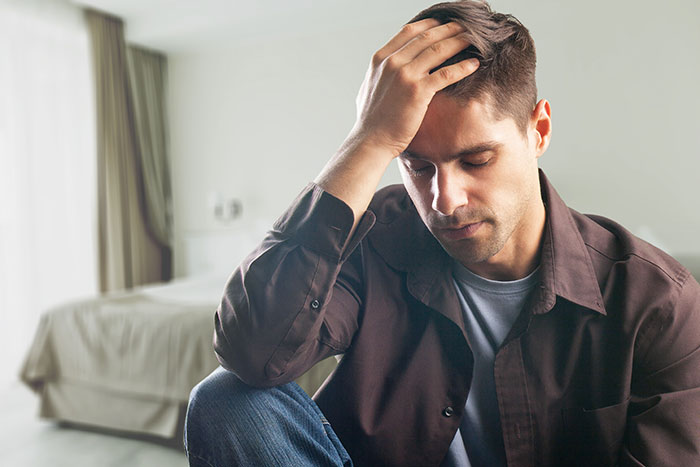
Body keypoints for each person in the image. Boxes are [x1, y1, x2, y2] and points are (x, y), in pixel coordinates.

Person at [184, 1, 700, 466]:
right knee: (228, 400)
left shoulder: (659, 303)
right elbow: (252, 351)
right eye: (417, 167)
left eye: (476, 160)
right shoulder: (377, 240)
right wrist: (369, 140)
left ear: (538, 131)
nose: (445, 201)